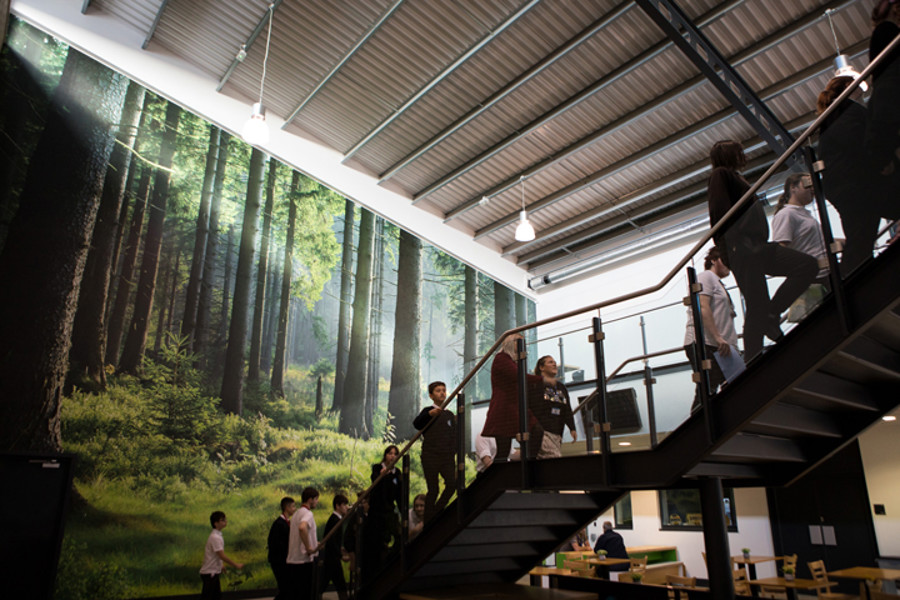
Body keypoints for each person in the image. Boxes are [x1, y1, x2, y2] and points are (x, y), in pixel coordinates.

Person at [706, 139, 817, 359]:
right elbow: (720, 214)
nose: (743, 156)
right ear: (729, 155)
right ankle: (753, 358)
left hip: (755, 247)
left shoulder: (734, 176)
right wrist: (732, 247)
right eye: (739, 152)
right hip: (742, 248)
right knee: (756, 307)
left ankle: (771, 314)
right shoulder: (721, 174)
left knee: (806, 266)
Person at [817, 77, 895, 275]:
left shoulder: (835, 114)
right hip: (855, 188)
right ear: (847, 87)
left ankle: (854, 284)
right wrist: (882, 162)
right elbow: (859, 143)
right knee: (860, 240)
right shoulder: (845, 112)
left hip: (850, 188)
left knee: (861, 239)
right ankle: (851, 287)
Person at [683, 246, 742, 410]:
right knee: (707, 389)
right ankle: (698, 430)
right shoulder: (706, 276)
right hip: (706, 341)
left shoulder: (719, 283)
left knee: (723, 387)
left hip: (720, 344)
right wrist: (717, 337)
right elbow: (703, 307)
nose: (729, 266)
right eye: (725, 260)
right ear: (714, 260)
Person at [481, 333, 544, 461]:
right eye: (518, 341)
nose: (521, 345)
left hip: (514, 408)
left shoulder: (512, 361)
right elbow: (518, 375)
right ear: (509, 343)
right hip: (505, 409)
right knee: (504, 450)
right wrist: (543, 380)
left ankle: (527, 465)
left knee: (535, 432)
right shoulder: (501, 358)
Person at [413, 381, 457, 521]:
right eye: (438, 390)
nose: (442, 393)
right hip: (430, 456)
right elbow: (417, 424)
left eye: (444, 390)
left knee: (452, 484)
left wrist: (453, 452)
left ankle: (436, 513)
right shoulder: (427, 411)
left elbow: (455, 435)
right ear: (431, 395)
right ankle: (428, 521)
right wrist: (430, 414)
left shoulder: (449, 414)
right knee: (433, 490)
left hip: (447, 458)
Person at [530, 355, 576, 458]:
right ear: (541, 367)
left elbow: (567, 409)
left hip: (557, 432)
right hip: (542, 431)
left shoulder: (561, 387)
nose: (554, 364)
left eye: (554, 362)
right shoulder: (535, 384)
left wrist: (572, 428)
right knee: (554, 457)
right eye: (550, 362)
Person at [369, 445, 403, 572]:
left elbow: (399, 495)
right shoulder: (378, 468)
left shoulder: (397, 473)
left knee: (399, 535)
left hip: (390, 511)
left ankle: (390, 560)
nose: (392, 456)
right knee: (379, 540)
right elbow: (374, 481)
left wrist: (402, 511)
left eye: (395, 454)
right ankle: (379, 568)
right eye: (389, 453)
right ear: (385, 455)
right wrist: (383, 476)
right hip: (377, 512)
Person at [199, 511, 243, 600]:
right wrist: (235, 565)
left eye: (225, 519)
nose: (225, 522)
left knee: (216, 596)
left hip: (214, 572)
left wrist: (221, 565)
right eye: (222, 520)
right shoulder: (215, 537)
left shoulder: (217, 535)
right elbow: (221, 555)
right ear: (216, 523)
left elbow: (217, 555)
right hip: (210, 573)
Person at [286, 487, 320, 600]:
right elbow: (302, 527)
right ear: (310, 499)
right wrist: (309, 547)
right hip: (303, 561)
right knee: (305, 594)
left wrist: (315, 543)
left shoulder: (296, 514)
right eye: (316, 499)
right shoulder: (308, 514)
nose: (317, 502)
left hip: (293, 561)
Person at [320, 493, 350, 600]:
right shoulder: (335, 520)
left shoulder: (335, 519)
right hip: (333, 558)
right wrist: (341, 555)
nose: (346, 507)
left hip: (331, 557)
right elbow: (332, 541)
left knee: (325, 582)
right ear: (337, 506)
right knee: (339, 583)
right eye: (344, 505)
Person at [267, 496, 295, 600]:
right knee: (285, 588)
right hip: (279, 561)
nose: (294, 509)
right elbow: (276, 544)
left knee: (286, 588)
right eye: (293, 506)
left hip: (283, 560)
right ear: (287, 507)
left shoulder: (286, 523)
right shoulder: (279, 524)